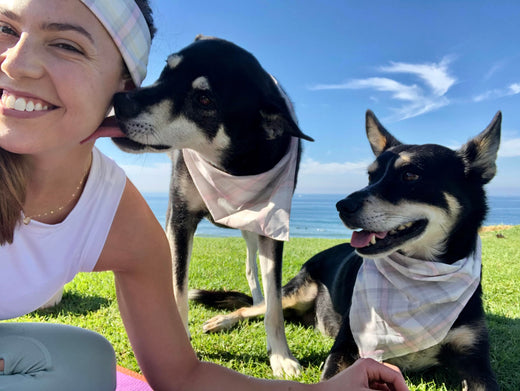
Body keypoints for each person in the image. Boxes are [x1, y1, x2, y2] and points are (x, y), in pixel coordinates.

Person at [0, 0, 410, 390]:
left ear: (124, 83)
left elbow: (180, 378)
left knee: (90, 361)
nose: (16, 63)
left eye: (66, 45)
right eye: (5, 28)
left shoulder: (115, 214)